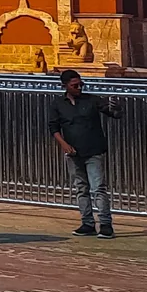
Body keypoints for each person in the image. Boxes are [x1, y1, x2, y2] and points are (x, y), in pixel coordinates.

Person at [49, 69, 120, 238]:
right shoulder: (59, 104)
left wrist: (116, 108)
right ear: (65, 86)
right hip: (73, 152)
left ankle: (105, 224)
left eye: (81, 84)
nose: (79, 88)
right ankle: (87, 222)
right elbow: (54, 127)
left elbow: (112, 113)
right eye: (75, 85)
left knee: (98, 188)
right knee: (81, 188)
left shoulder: (92, 100)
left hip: (93, 149)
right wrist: (64, 145)